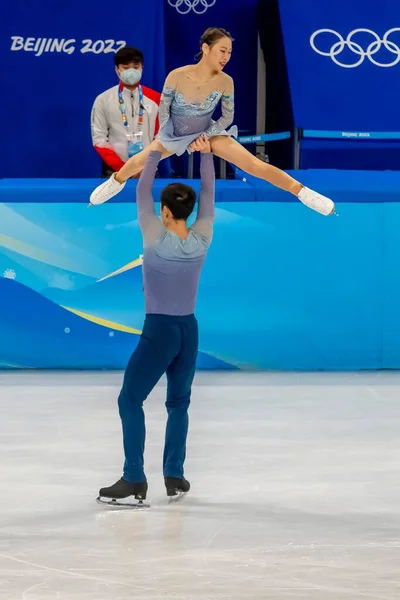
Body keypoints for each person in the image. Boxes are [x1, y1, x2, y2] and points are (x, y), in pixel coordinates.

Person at [89, 28, 335, 217]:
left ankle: (303, 192)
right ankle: (115, 183)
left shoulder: (226, 81)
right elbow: (164, 112)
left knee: (254, 165)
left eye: (229, 52)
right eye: (222, 51)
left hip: (209, 131)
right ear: (206, 48)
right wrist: (171, 138)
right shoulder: (177, 75)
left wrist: (205, 137)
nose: (226, 57)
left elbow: (227, 117)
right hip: (173, 132)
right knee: (137, 161)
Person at [97, 135, 215, 505]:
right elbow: (209, 196)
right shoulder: (203, 236)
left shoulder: (154, 235)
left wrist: (154, 153)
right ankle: (174, 474)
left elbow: (142, 188)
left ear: (165, 213)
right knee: (178, 402)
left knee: (130, 400)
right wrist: (208, 156)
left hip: (160, 331)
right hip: (188, 331)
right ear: (190, 212)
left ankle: (134, 477)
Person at [91, 46, 161, 177]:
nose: (131, 71)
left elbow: (161, 137)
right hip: (114, 172)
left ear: (142, 68)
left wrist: (146, 165)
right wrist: (124, 168)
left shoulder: (156, 99)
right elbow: (99, 139)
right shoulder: (103, 100)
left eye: (135, 67)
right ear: (117, 69)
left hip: (147, 170)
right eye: (126, 67)